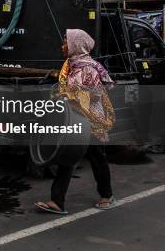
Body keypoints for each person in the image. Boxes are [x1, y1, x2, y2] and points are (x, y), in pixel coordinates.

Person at [35, 29, 116, 215]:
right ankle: (57, 201)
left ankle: (107, 195)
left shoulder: (88, 68)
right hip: (75, 120)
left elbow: (94, 95)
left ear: (76, 45)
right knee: (68, 158)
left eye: (66, 42)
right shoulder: (71, 66)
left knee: (97, 158)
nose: (63, 46)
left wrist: (67, 95)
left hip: (91, 121)